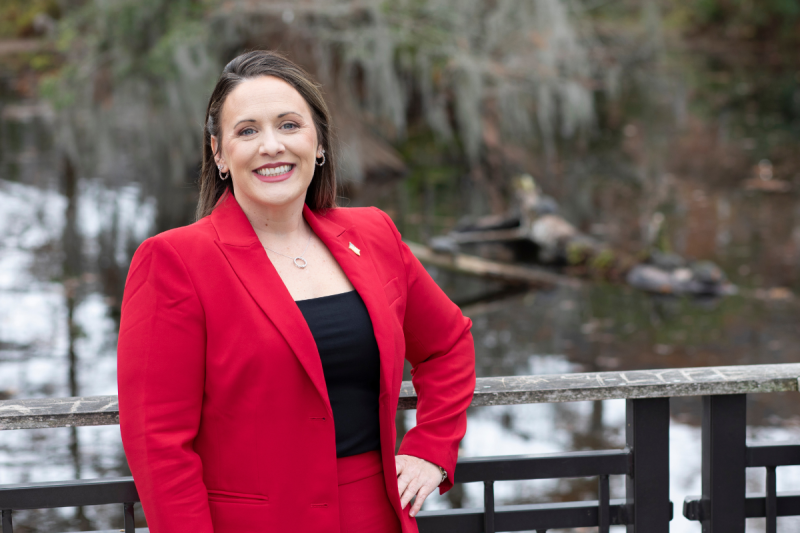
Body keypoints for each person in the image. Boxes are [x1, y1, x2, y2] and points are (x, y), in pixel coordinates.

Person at [117, 50, 476, 533]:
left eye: (289, 125)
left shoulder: (374, 235)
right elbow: (159, 443)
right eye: (247, 131)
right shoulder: (174, 261)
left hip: (379, 517)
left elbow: (448, 345)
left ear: (319, 142)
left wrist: (430, 449)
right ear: (219, 153)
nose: (271, 146)